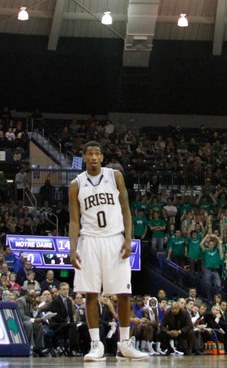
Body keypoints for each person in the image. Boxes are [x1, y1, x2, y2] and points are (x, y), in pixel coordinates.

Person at [67, 141, 148, 361]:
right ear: (84, 157)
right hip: (89, 240)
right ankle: (96, 345)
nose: (93, 157)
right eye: (89, 154)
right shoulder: (76, 184)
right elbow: (74, 220)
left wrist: (129, 238)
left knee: (123, 293)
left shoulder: (115, 176)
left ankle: (125, 343)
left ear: (102, 157)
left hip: (114, 239)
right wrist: (72, 248)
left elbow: (126, 209)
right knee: (91, 293)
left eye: (97, 154)